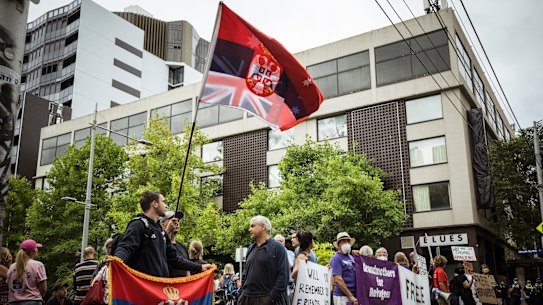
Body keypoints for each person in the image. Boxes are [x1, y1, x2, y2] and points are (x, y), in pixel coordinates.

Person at [114, 191, 212, 277]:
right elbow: (126, 247)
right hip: (143, 287)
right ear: (155, 204)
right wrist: (117, 260)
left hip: (161, 289)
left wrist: (200, 267)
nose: (166, 206)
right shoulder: (138, 224)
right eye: (163, 201)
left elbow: (175, 259)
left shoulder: (160, 231)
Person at [239, 215, 288, 305]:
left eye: (253, 226)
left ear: (263, 227)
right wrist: (242, 292)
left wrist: (270, 298)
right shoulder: (251, 248)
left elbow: (283, 276)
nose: (249, 230)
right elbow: (245, 272)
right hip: (246, 298)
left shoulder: (277, 247)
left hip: (266, 299)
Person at [6, 239, 47, 305]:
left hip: (13, 302)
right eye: (36, 248)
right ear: (31, 251)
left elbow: (9, 284)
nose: (37, 250)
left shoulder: (12, 267)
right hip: (32, 301)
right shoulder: (38, 265)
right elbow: (43, 288)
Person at [160, 210, 190, 277]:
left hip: (182, 286)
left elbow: (187, 271)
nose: (176, 223)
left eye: (178, 221)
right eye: (173, 220)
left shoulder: (183, 247)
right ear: (163, 225)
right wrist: (167, 231)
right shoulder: (159, 244)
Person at [330, 232, 357, 305]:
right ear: (338, 244)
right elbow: (338, 279)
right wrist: (350, 296)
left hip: (353, 294)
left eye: (348, 241)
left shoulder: (351, 257)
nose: (346, 243)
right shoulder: (336, 258)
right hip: (342, 296)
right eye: (344, 241)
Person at [274, 234, 295, 305]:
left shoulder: (290, 253)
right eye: (277, 241)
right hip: (274, 287)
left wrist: (281, 253)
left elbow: (290, 265)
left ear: (284, 243)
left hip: (288, 287)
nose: (279, 243)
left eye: (281, 241)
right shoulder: (270, 253)